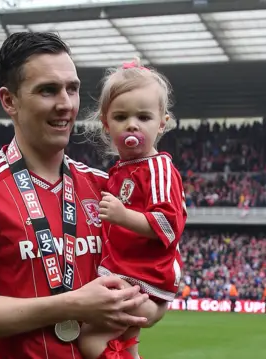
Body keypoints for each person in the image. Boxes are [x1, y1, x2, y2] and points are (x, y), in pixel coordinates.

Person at [0, 32, 167, 359]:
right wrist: (71, 304)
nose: (65, 104)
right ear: (9, 100)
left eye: (73, 88)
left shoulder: (106, 188)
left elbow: (153, 279)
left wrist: (148, 303)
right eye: (47, 90)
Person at [77, 58, 186, 359]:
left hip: (141, 275)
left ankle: (149, 310)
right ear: (105, 122)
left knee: (89, 341)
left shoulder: (159, 168)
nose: (132, 124)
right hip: (126, 272)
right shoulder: (121, 170)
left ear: (162, 122)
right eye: (121, 116)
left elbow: (169, 224)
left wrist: (123, 216)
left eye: (144, 116)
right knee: (122, 342)